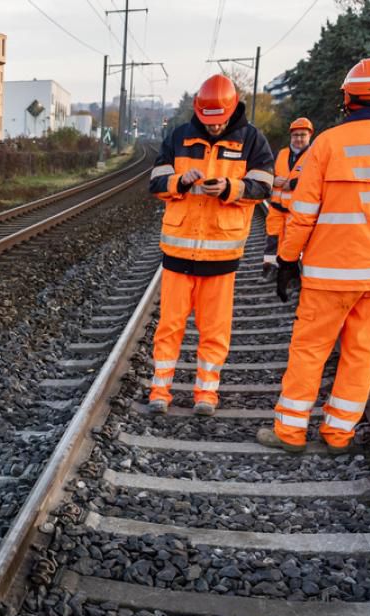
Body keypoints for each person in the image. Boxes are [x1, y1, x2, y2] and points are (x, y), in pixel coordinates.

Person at [258, 58, 370, 453]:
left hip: (329, 275)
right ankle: (338, 433)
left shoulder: (327, 145)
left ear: (348, 98)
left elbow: (301, 215)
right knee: (361, 354)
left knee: (310, 351)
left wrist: (287, 262)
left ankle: (289, 432)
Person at [147, 74, 275, 416]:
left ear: (232, 110)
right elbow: (155, 181)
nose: (215, 128)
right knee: (169, 326)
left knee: (215, 330)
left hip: (221, 256)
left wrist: (233, 188)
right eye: (209, 122)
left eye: (220, 122)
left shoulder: (252, 140)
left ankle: (206, 394)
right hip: (177, 254)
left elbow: (265, 186)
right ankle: (160, 390)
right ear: (198, 112)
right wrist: (178, 182)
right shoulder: (178, 137)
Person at [263, 117, 314, 279]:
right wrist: (272, 179)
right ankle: (270, 269)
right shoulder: (281, 153)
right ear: (291, 136)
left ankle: (290, 273)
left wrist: (292, 184)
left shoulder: (315, 155)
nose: (299, 139)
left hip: (297, 210)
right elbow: (266, 172)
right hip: (277, 208)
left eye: (302, 135)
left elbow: (316, 178)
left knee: (295, 242)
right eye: (296, 135)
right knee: (273, 240)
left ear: (309, 136)